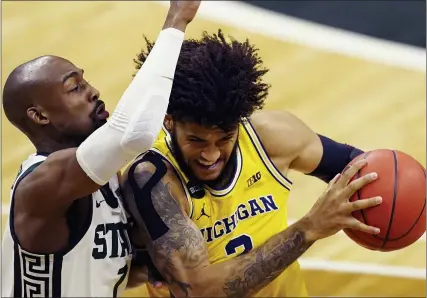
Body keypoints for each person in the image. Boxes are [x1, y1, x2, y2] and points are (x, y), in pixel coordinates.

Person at [120, 30, 383, 297]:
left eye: (224, 139)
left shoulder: (272, 137)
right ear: (168, 120)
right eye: (197, 141)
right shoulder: (152, 180)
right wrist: (309, 228)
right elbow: (199, 291)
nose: (210, 156)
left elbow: (365, 168)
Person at [1, 1, 202, 297]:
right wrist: (177, 19)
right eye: (74, 88)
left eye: (85, 81)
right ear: (40, 116)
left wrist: (151, 266)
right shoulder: (41, 184)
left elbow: (96, 272)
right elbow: (131, 135)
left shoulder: (103, 181)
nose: (93, 91)